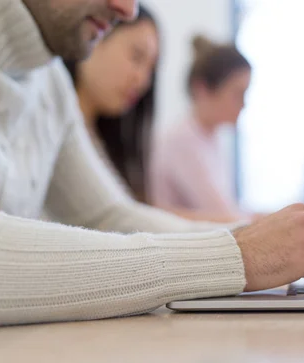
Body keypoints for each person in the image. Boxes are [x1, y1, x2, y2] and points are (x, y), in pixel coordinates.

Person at [0, 0, 304, 332]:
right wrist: (236, 255)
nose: (127, 9)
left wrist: (264, 244)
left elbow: (109, 216)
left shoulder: (51, 81)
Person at [65, 6, 232, 222]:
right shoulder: (59, 127)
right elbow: (117, 222)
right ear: (96, 35)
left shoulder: (105, 140)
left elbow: (128, 215)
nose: (142, 80)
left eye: (151, 69)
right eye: (136, 56)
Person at [150, 35, 252, 221]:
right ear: (202, 89)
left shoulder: (209, 138)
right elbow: (224, 217)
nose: (244, 104)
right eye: (238, 93)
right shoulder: (181, 141)